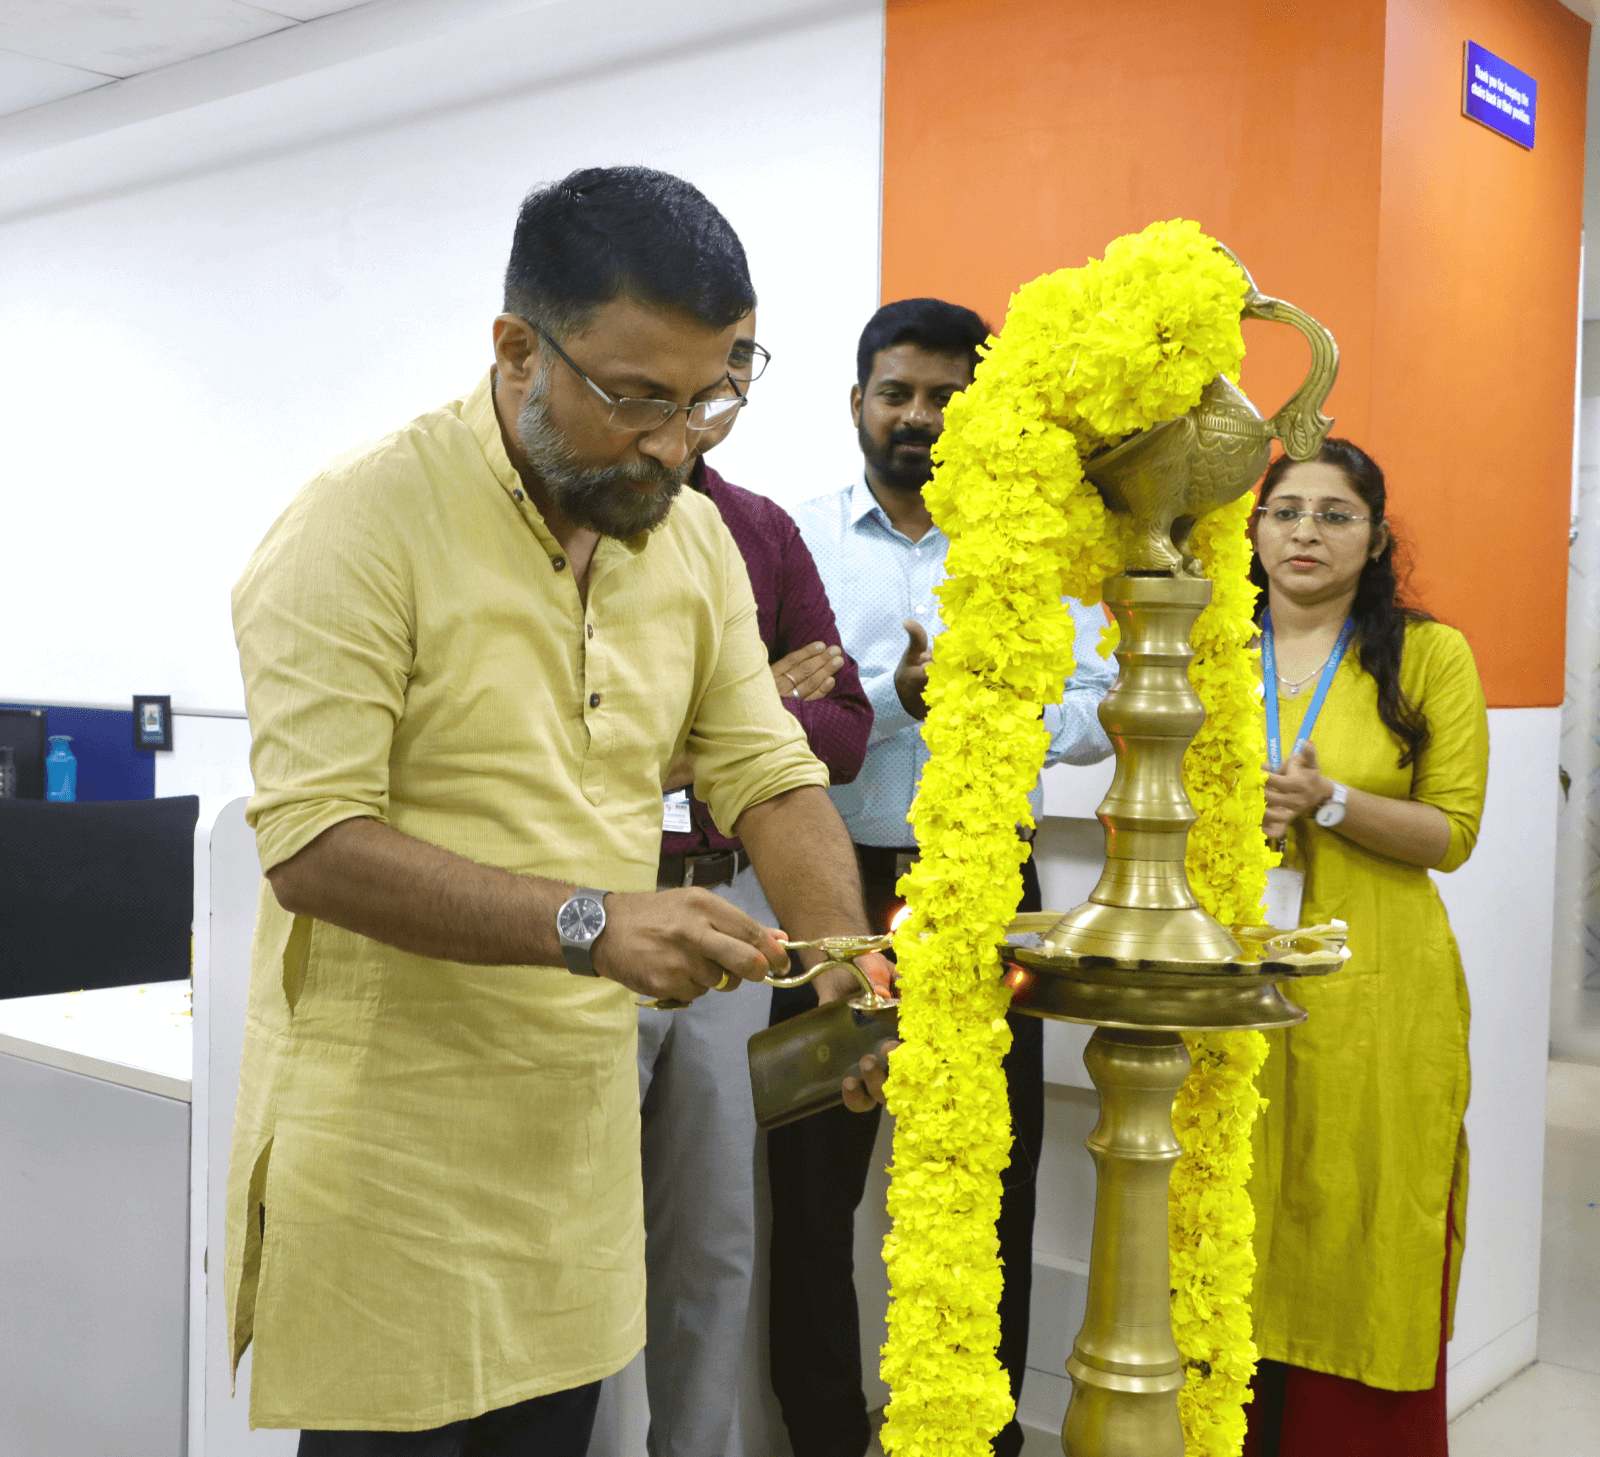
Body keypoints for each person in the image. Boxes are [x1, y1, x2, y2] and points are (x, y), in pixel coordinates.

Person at [225, 166, 888, 1457]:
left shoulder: (685, 541)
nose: (678, 439)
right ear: (518, 347)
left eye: (718, 392)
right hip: (389, 1162)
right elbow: (312, 844)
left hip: (572, 1159)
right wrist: (594, 925)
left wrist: (846, 967)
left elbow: (766, 767)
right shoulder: (358, 524)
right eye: (638, 396)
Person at [779, 297, 1116, 1457]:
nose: (918, 417)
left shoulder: (1032, 546)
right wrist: (889, 698)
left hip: (988, 889)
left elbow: (1095, 713)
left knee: (991, 1169)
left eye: (944, 396)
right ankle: (824, 1432)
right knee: (814, 1181)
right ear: (858, 402)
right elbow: (752, 706)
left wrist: (987, 703)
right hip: (829, 888)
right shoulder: (797, 539)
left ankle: (982, 1432)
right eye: (897, 392)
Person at [592, 316, 873, 1457]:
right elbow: (566, 743)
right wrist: (748, 700)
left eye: (721, 387)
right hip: (587, 914)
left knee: (711, 1235)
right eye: (661, 391)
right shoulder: (571, 515)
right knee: (590, 1242)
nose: (691, 414)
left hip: (735, 912)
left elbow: (842, 732)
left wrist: (720, 724)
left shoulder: (750, 529)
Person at [1243, 439, 1489, 1457]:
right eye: (1285, 509)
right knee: (1235, 1215)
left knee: (1367, 1214)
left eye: (1334, 513)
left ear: (1376, 537)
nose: (1305, 531)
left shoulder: (1429, 655)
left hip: (1377, 988)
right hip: (1236, 977)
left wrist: (1329, 802)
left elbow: (1453, 833)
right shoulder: (1208, 647)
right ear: (1251, 531)